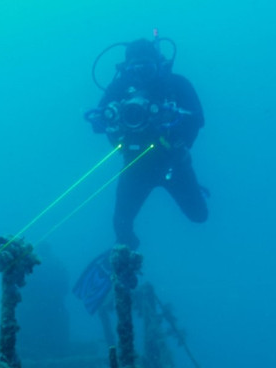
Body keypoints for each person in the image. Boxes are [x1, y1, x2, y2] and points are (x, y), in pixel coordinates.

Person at [84, 36, 206, 250]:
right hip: (135, 165)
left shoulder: (176, 84)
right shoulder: (118, 87)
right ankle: (125, 261)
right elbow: (97, 124)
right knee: (122, 228)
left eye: (146, 68)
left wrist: (176, 134)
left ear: (158, 65)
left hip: (174, 163)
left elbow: (198, 118)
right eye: (134, 70)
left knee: (200, 216)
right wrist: (112, 118)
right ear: (125, 69)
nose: (139, 76)